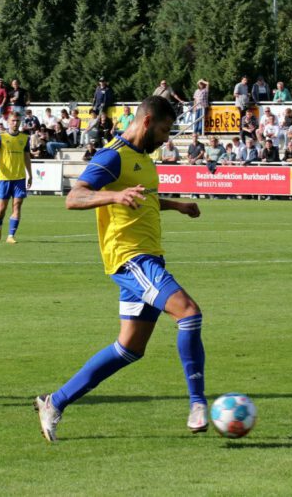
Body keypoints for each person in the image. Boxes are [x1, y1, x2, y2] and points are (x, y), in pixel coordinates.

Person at [34, 96, 206, 443]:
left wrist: (178, 206)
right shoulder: (112, 155)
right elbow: (74, 197)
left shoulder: (143, 158)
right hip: (131, 258)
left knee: (129, 348)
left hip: (148, 259)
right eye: (163, 130)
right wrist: (113, 197)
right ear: (146, 122)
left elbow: (143, 198)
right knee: (188, 314)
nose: (165, 138)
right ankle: (198, 404)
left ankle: (55, 402)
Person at [0, 112, 33, 244]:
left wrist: (30, 175)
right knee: (1, 209)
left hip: (20, 178)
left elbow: (27, 157)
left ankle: (11, 235)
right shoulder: (0, 136)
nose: (15, 123)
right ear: (8, 122)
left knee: (17, 206)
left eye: (17, 121)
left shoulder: (25, 138)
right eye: (13, 120)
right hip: (5, 178)